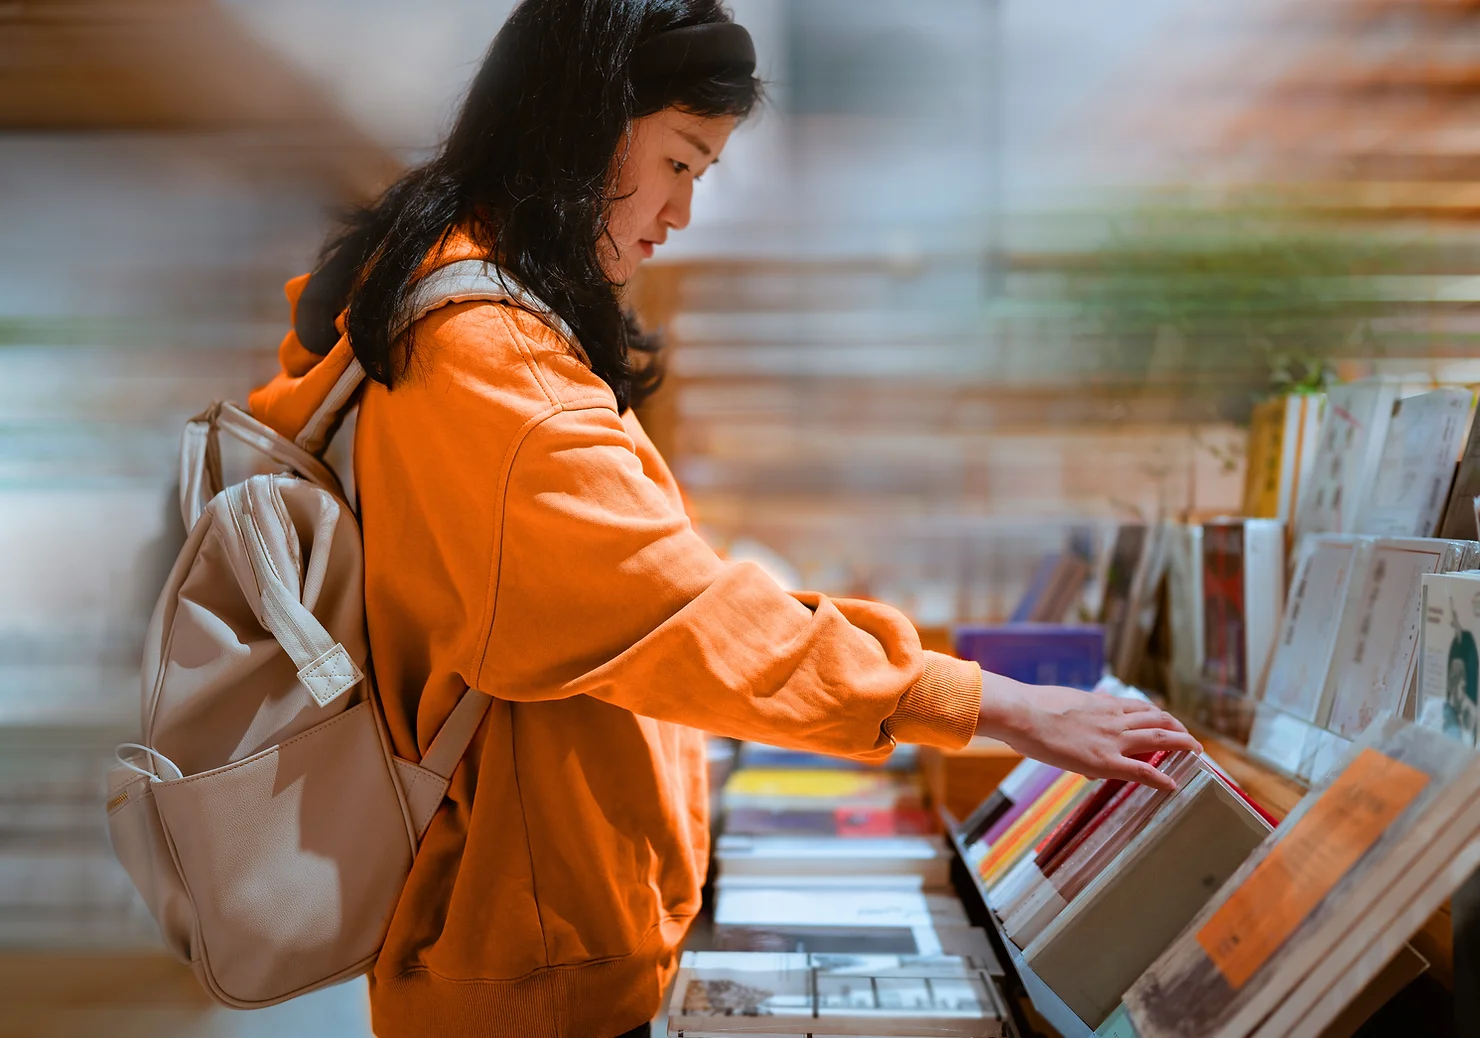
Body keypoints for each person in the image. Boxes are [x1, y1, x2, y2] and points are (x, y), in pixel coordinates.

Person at [247, 1, 1200, 1034]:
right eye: (681, 162)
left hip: (524, 941)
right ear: (582, 124)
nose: (682, 212)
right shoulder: (486, 360)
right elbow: (671, 613)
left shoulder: (466, 326)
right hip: (531, 968)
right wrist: (997, 705)